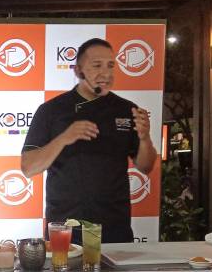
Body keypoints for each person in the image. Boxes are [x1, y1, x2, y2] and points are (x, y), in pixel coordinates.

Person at [21, 38, 156, 243]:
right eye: (97, 65)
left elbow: (146, 166)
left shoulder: (126, 109)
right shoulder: (51, 110)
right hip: (65, 227)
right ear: (78, 71)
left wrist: (145, 138)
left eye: (110, 65)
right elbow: (29, 167)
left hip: (115, 226)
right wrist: (64, 138)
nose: (106, 73)